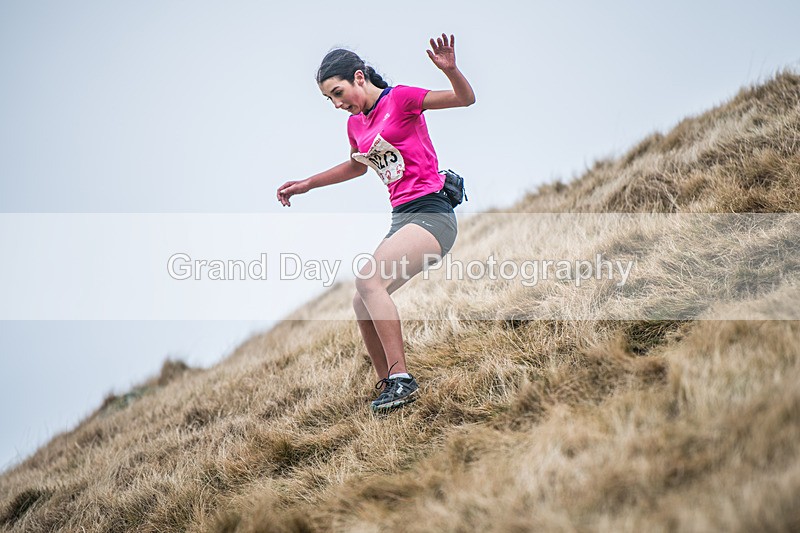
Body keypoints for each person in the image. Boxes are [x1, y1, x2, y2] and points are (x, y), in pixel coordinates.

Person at [276, 34, 475, 411]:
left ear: (359, 78)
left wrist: (452, 72)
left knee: (368, 279)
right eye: (329, 99)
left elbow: (465, 99)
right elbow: (356, 165)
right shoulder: (356, 126)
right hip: (402, 219)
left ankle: (402, 379)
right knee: (361, 300)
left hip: (433, 213)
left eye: (338, 92)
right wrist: (307, 184)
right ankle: (390, 386)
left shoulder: (400, 99)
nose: (336, 104)